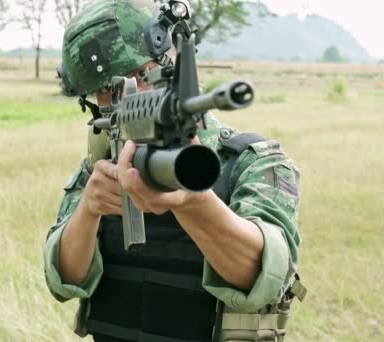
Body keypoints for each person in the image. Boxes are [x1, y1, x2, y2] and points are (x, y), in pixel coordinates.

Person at [44, 1, 306, 341]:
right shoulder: (99, 166)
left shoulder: (252, 162)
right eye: (108, 91)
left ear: (173, 66)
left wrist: (193, 201)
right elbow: (63, 281)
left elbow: (265, 279)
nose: (127, 96)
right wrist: (88, 210)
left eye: (141, 75)